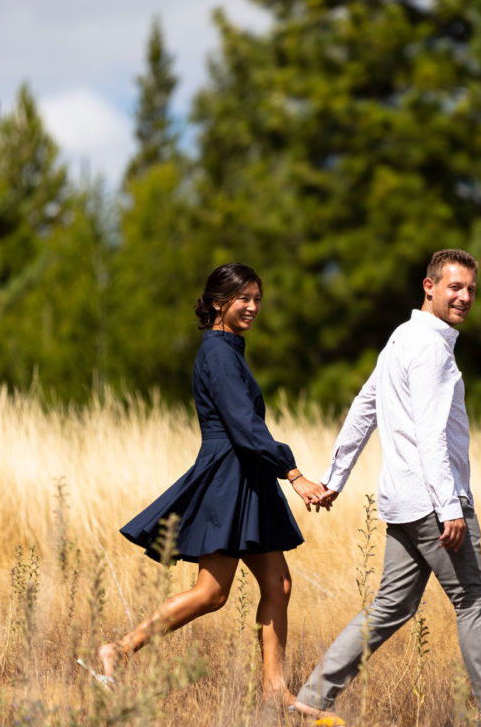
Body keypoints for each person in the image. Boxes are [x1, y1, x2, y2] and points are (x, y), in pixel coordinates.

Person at [291, 249, 481, 727]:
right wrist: (449, 507)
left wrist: (335, 479)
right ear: (429, 287)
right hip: (431, 503)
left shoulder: (402, 338)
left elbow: (365, 406)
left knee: (392, 604)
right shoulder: (428, 347)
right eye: (454, 287)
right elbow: (429, 432)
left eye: (470, 289)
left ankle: (312, 699)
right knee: (475, 598)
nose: (465, 297)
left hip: (401, 503)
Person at [86, 263, 327, 709]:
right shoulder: (218, 353)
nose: (254, 306)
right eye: (244, 299)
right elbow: (241, 424)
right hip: (230, 477)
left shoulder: (230, 349)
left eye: (258, 298)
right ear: (219, 303)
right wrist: (292, 473)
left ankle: (274, 691)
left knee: (278, 584)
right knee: (211, 593)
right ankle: (117, 650)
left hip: (246, 477)